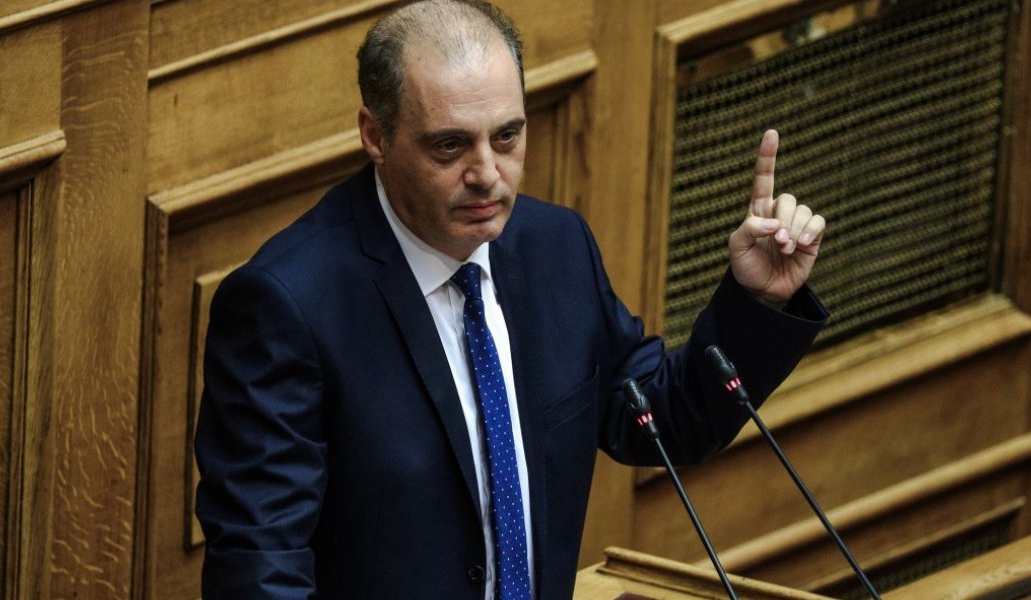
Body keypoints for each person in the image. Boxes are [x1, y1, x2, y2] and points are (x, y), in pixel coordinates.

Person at [193, 1, 828, 598]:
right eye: (450, 146)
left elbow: (661, 421)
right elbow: (260, 567)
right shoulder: (288, 306)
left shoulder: (556, 248)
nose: (487, 175)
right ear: (376, 135)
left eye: (506, 137)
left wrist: (757, 300)